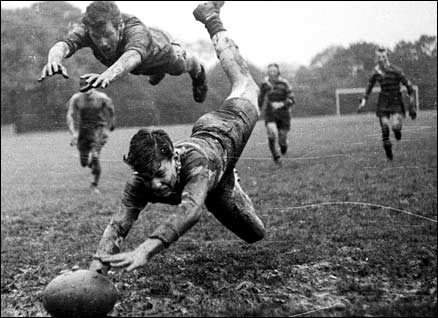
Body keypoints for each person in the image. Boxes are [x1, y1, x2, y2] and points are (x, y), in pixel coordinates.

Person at [88, 1, 265, 274]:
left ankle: (210, 17)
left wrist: (146, 249)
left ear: (172, 156)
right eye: (147, 178)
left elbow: (191, 211)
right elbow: (119, 223)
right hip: (212, 171)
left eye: (159, 173)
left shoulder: (195, 162)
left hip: (226, 127)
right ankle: (227, 178)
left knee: (244, 82)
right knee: (255, 233)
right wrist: (96, 266)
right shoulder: (141, 180)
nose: (156, 185)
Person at [38, 1, 208, 103]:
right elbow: (63, 45)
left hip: (161, 50)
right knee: (151, 79)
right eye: (97, 37)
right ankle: (157, 74)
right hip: (140, 65)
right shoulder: (87, 29)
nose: (103, 43)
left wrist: (107, 75)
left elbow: (132, 56)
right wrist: (54, 60)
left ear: (120, 27)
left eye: (107, 35)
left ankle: (198, 71)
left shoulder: (136, 31)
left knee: (178, 66)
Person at [358, 47, 416, 160]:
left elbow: (410, 88)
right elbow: (369, 88)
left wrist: (412, 106)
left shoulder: (396, 71)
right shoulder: (376, 72)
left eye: (383, 57)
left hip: (396, 101)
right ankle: (388, 150)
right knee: (384, 128)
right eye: (379, 57)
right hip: (383, 101)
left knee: (395, 127)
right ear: (377, 59)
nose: (381, 59)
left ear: (387, 57)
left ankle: (397, 131)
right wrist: (363, 102)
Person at [67, 85, 115, 193]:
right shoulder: (76, 98)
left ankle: (94, 185)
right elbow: (70, 114)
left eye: (88, 86)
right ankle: (93, 166)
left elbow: (111, 109)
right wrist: (73, 133)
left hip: (98, 129)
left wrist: (112, 122)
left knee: (95, 156)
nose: (86, 90)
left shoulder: (101, 97)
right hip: (83, 131)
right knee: (84, 162)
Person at [258, 63, 295, 164]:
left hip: (284, 113)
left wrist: (282, 104)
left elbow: (291, 98)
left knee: (282, 138)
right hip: (271, 113)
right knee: (272, 133)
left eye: (274, 71)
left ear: (278, 72)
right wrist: (259, 108)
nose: (272, 73)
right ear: (268, 72)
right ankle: (275, 155)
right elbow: (260, 97)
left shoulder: (284, 83)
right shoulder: (265, 84)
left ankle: (283, 146)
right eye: (270, 71)